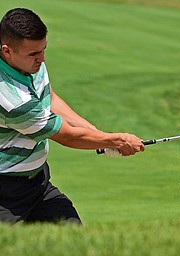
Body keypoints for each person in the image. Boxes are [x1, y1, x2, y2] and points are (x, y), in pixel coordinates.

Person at [0, 8, 144, 224]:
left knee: (70, 234)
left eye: (43, 50)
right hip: (6, 192)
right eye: (34, 54)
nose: (42, 59)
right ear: (7, 51)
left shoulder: (29, 64)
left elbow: (50, 98)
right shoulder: (12, 100)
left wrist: (97, 135)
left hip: (38, 183)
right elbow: (67, 136)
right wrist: (117, 140)